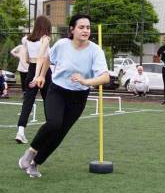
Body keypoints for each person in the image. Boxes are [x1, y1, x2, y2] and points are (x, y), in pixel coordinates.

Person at [18, 14, 109, 178]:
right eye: (81, 27)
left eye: (88, 27)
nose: (85, 30)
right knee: (54, 124)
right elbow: (48, 59)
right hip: (57, 90)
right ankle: (30, 152)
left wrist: (86, 81)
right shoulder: (62, 45)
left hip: (79, 97)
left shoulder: (95, 51)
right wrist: (41, 76)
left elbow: (105, 77)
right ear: (72, 30)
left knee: (60, 133)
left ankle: (35, 164)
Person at [15, 16, 53, 144]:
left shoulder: (26, 39)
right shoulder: (46, 39)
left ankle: (20, 131)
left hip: (31, 71)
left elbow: (25, 59)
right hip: (44, 72)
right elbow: (42, 56)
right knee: (49, 101)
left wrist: (34, 75)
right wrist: (38, 76)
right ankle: (51, 131)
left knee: (28, 102)